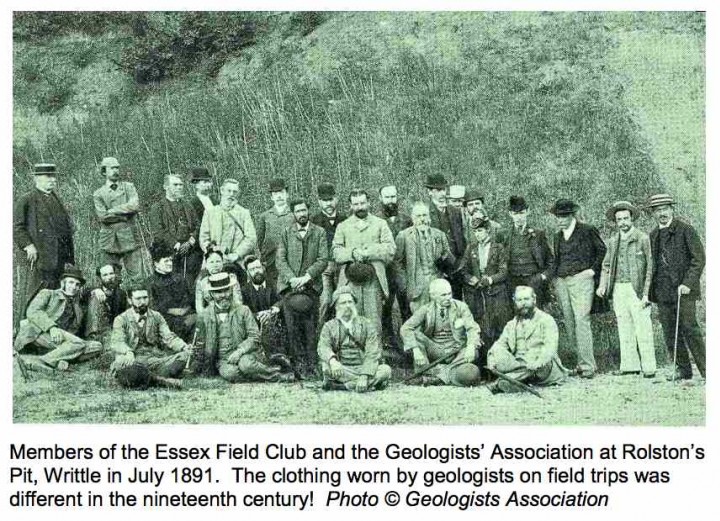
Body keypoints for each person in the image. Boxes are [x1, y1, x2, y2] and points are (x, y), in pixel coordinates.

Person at [194, 273, 295, 383]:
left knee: (245, 365)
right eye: (219, 292)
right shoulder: (204, 315)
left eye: (226, 290)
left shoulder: (243, 310)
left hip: (246, 354)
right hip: (223, 360)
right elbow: (200, 343)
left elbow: (254, 336)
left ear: (231, 290)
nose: (224, 295)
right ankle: (266, 370)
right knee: (230, 373)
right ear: (212, 294)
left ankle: (279, 375)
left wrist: (240, 351)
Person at [647, 193, 705, 381]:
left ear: (672, 209)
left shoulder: (685, 230)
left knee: (690, 328)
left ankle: (707, 370)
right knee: (670, 331)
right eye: (657, 210)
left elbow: (699, 259)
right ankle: (683, 369)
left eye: (665, 208)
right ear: (653, 214)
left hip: (684, 291)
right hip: (663, 291)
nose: (661, 213)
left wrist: (688, 283)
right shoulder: (654, 234)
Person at [548, 198, 606, 379]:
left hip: (582, 279)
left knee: (582, 320)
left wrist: (592, 270)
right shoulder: (558, 236)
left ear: (572, 215)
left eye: (564, 216)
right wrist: (553, 278)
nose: (560, 220)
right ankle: (579, 364)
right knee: (570, 320)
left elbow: (602, 251)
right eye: (557, 216)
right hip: (562, 281)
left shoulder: (587, 230)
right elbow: (557, 259)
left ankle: (588, 366)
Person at [596, 201, 656, 377]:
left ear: (632, 218)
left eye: (625, 218)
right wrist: (603, 285)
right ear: (615, 222)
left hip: (636, 289)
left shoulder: (643, 238)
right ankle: (630, 365)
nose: (622, 222)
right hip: (618, 289)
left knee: (643, 327)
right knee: (624, 326)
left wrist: (646, 293)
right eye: (619, 219)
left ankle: (649, 367)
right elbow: (606, 265)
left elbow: (650, 268)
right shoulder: (613, 241)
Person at [15, 265, 102, 372]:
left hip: (65, 342)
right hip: (39, 333)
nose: (74, 287)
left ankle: (51, 359)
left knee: (97, 346)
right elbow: (33, 311)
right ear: (62, 283)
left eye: (77, 284)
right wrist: (52, 328)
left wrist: (96, 289)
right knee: (79, 344)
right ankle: (45, 360)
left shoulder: (77, 305)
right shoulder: (48, 294)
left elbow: (89, 295)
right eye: (70, 282)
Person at [276, 199, 329, 377]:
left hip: (311, 286)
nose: (301, 214)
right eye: (298, 211)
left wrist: (307, 277)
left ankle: (312, 362)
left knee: (311, 326)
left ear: (309, 211)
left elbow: (322, 259)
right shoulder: (285, 233)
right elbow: (280, 260)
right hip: (290, 287)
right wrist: (292, 279)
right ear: (293, 213)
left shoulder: (319, 232)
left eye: (304, 210)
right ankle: (298, 363)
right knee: (292, 326)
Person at [333, 189, 396, 334]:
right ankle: (351, 355)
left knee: (373, 322)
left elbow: (390, 248)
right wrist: (352, 253)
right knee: (350, 320)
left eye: (362, 203)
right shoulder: (343, 226)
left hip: (373, 280)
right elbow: (336, 252)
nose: (360, 207)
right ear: (350, 205)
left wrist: (369, 252)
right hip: (349, 281)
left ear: (369, 203)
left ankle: (375, 355)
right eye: (356, 204)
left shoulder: (380, 224)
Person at [14, 163, 75, 311]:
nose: (52, 180)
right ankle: (24, 331)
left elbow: (65, 230)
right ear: (36, 179)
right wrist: (28, 246)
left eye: (53, 176)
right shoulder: (27, 200)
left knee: (56, 298)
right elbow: (17, 227)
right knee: (33, 297)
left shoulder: (56, 199)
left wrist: (69, 258)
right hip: (39, 259)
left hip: (59, 260)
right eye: (48, 176)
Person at [400, 279, 481, 387]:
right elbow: (406, 328)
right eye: (443, 295)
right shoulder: (426, 309)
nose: (448, 297)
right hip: (435, 350)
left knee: (475, 351)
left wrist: (470, 346)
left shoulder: (461, 307)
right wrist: (415, 349)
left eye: (449, 293)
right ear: (433, 296)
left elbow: (472, 327)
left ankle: (433, 375)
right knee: (415, 335)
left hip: (456, 352)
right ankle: (449, 374)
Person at [109, 284, 191, 389]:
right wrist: (128, 352)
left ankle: (150, 378)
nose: (143, 302)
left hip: (155, 359)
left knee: (185, 356)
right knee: (123, 366)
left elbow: (169, 337)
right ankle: (162, 380)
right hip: (132, 359)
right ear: (130, 300)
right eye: (138, 298)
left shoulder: (156, 316)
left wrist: (184, 347)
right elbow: (117, 342)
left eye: (145, 298)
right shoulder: (121, 319)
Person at [487, 286, 567, 393]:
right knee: (497, 353)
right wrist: (492, 359)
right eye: (519, 300)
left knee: (536, 366)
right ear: (514, 302)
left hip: (542, 366)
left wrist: (538, 362)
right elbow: (500, 345)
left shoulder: (546, 320)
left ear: (534, 299)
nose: (523, 303)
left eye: (526, 299)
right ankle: (515, 382)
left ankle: (506, 380)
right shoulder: (511, 324)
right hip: (518, 364)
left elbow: (550, 348)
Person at [317, 287, 392, 392]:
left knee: (385, 370)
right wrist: (333, 361)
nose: (348, 306)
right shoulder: (329, 326)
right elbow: (323, 347)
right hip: (341, 368)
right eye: (343, 303)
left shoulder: (366, 324)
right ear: (336, 307)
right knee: (327, 368)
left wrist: (364, 376)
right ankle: (370, 384)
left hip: (363, 367)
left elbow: (373, 351)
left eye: (350, 302)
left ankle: (344, 386)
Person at [459, 216, 512, 363]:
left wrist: (489, 280)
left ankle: (501, 362)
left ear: (488, 231)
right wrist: (472, 279)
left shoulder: (498, 248)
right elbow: (463, 270)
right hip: (477, 294)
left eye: (480, 230)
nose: (478, 234)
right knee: (482, 326)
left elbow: (503, 271)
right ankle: (482, 365)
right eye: (475, 231)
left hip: (496, 294)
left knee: (499, 326)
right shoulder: (471, 248)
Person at [394, 201, 455, 312]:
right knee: (419, 318)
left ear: (429, 217)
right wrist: (404, 285)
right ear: (412, 218)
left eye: (424, 215)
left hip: (437, 283)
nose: (422, 219)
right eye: (418, 216)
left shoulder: (439, 234)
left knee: (440, 316)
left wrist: (445, 266)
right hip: (416, 286)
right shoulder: (403, 236)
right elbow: (397, 263)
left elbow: (448, 256)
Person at [92, 157, 144, 283]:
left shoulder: (128, 187)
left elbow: (135, 205)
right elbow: (103, 216)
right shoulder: (98, 193)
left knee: (137, 277)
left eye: (117, 168)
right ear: (104, 172)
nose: (116, 171)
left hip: (129, 237)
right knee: (110, 278)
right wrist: (125, 215)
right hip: (109, 240)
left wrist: (113, 210)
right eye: (112, 168)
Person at [149, 173, 202, 288]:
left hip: (190, 253)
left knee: (190, 282)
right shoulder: (157, 208)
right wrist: (176, 244)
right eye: (175, 185)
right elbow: (158, 232)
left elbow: (198, 226)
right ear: (166, 187)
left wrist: (190, 241)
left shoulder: (188, 206)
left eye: (181, 185)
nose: (179, 187)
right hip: (168, 252)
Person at [376, 184, 412, 353]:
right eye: (387, 197)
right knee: (386, 308)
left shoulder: (406, 219)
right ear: (381, 199)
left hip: (403, 271)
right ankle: (389, 344)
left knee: (406, 306)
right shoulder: (375, 220)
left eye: (393, 197)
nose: (391, 201)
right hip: (384, 271)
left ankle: (408, 344)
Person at [199, 178, 257, 282]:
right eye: (229, 191)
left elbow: (251, 238)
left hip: (237, 262)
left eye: (235, 192)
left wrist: (237, 254)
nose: (231, 194)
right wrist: (212, 254)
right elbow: (203, 238)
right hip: (213, 262)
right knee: (202, 286)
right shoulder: (210, 212)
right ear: (222, 190)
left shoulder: (244, 213)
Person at [505, 195, 553, 307]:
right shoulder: (504, 235)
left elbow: (551, 260)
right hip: (512, 281)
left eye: (521, 213)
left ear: (528, 212)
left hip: (533, 280)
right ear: (510, 214)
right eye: (515, 214)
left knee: (535, 314)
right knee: (515, 314)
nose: (519, 217)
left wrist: (542, 277)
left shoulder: (538, 234)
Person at [310, 182, 347, 324]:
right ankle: (320, 336)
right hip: (323, 268)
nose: (328, 203)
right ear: (319, 202)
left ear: (336, 199)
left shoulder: (345, 219)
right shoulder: (313, 221)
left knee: (343, 299)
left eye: (331, 199)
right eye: (325, 200)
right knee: (325, 301)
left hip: (343, 266)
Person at [425, 174, 466, 299]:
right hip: (438, 268)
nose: (442, 194)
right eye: (438, 190)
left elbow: (461, 238)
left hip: (457, 267)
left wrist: (460, 263)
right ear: (429, 192)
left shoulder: (455, 211)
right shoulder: (425, 213)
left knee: (457, 301)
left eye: (443, 189)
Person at [146, 241, 196, 341]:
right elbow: (152, 307)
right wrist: (172, 311)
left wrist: (186, 309)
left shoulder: (179, 278)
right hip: (165, 319)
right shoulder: (151, 282)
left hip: (186, 314)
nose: (170, 263)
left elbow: (190, 298)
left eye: (171, 260)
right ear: (156, 263)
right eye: (166, 261)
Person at [240, 255, 287, 359]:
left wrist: (272, 311)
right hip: (256, 326)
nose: (256, 271)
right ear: (247, 273)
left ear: (263, 268)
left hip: (277, 323)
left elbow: (284, 299)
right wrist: (258, 315)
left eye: (258, 267)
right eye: (252, 269)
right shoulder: (244, 290)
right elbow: (242, 311)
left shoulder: (274, 283)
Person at [256, 178, 296, 288]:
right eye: (275, 193)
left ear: (287, 194)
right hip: (270, 261)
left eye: (281, 192)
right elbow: (259, 240)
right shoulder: (265, 216)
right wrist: (264, 255)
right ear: (271, 197)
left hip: (290, 260)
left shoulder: (293, 214)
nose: (279, 196)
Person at [84, 263, 129, 342]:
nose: (109, 277)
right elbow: (82, 293)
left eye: (111, 274)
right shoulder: (94, 291)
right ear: (99, 278)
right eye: (105, 275)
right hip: (97, 330)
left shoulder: (121, 294)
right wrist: (94, 290)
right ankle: (92, 337)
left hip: (112, 331)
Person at [195, 249, 242, 315]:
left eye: (218, 261)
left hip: (231, 314)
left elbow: (238, 302)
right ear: (206, 265)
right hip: (211, 316)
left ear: (222, 263)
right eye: (211, 262)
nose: (215, 265)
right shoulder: (202, 283)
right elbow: (199, 308)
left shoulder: (231, 279)